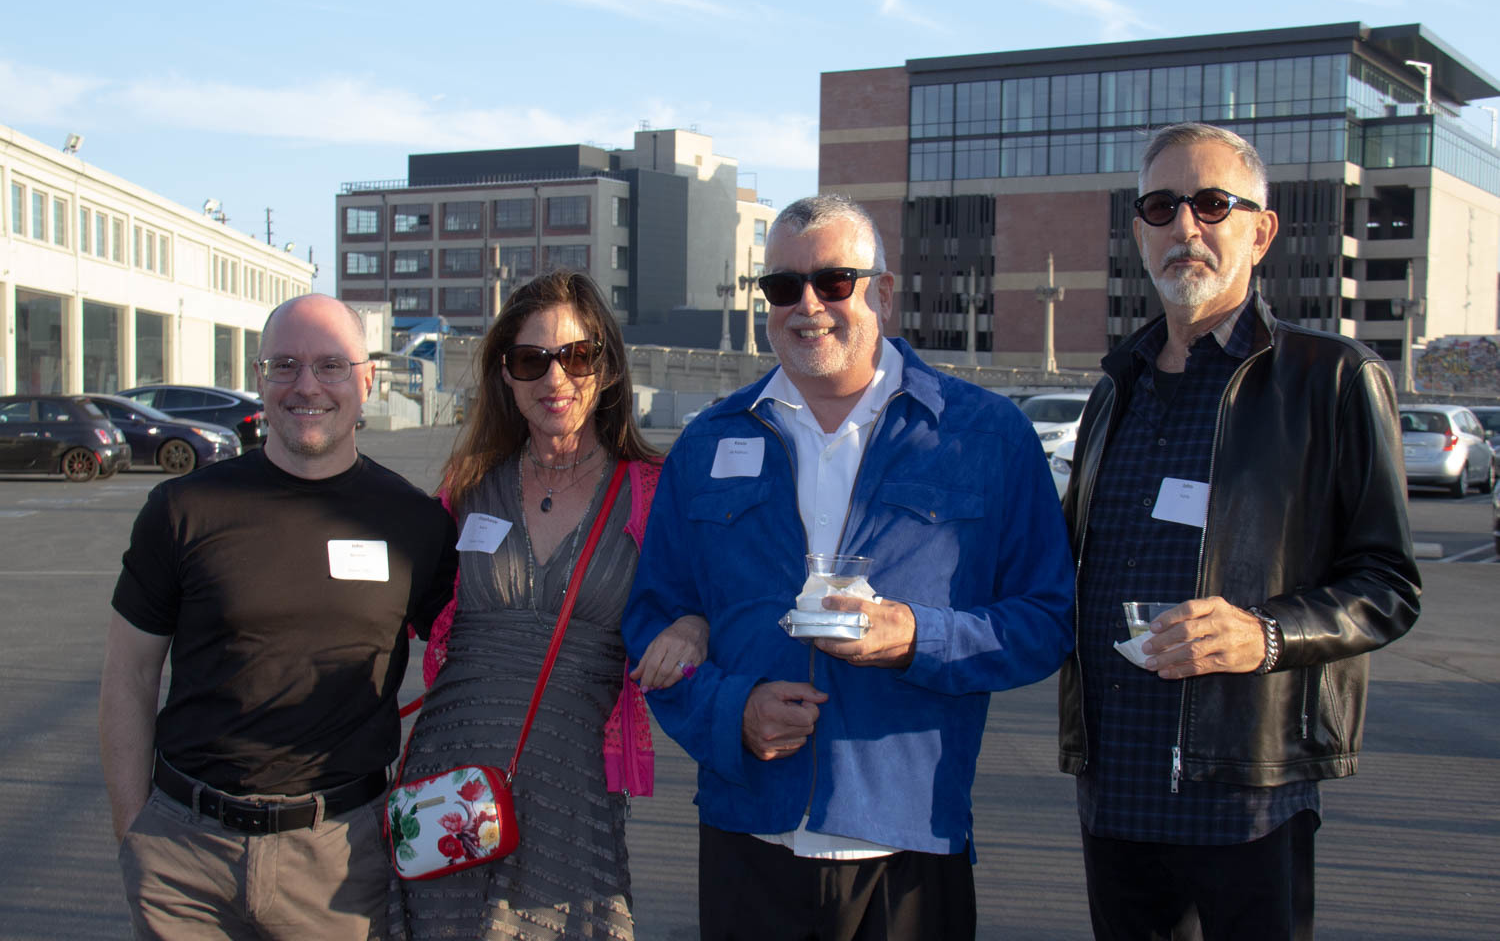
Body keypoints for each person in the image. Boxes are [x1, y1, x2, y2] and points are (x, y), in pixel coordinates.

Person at [623, 194, 1075, 940]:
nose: (808, 305)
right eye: (782, 286)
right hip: (747, 840)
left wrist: (914, 638)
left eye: (835, 281)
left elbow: (1046, 620)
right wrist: (730, 713)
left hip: (907, 848)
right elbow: (650, 619)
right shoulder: (709, 442)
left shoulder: (984, 436)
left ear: (884, 295)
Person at [1057, 122, 1422, 941]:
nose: (1185, 226)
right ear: (1139, 229)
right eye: (1161, 205)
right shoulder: (1118, 387)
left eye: (1212, 203)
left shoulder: (1332, 379)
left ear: (1260, 231)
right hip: (1115, 783)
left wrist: (1264, 633)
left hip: (1248, 791)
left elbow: (1389, 585)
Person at [100, 294, 459, 940]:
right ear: (260, 376)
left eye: (330, 365)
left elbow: (473, 656)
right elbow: (128, 677)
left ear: (367, 379)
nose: (306, 386)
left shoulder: (416, 523)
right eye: (285, 364)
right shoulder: (183, 509)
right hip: (184, 862)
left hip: (339, 863)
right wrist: (137, 836)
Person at [389, 270, 707, 941]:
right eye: (532, 360)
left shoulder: (653, 489)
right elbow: (403, 600)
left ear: (608, 367)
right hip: (450, 786)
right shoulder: (468, 486)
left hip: (572, 788)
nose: (555, 378)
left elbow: (707, 592)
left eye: (577, 356)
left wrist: (693, 625)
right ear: (506, 375)